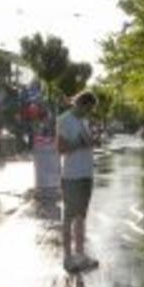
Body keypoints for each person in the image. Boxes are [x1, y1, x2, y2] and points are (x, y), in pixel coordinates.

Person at [57, 91, 99, 273]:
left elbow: (86, 144)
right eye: (87, 109)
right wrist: (80, 143)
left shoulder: (84, 120)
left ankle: (80, 255)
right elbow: (60, 148)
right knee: (69, 216)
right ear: (80, 104)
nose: (88, 113)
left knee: (81, 216)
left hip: (86, 174)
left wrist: (91, 141)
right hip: (72, 175)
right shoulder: (64, 120)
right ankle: (68, 258)